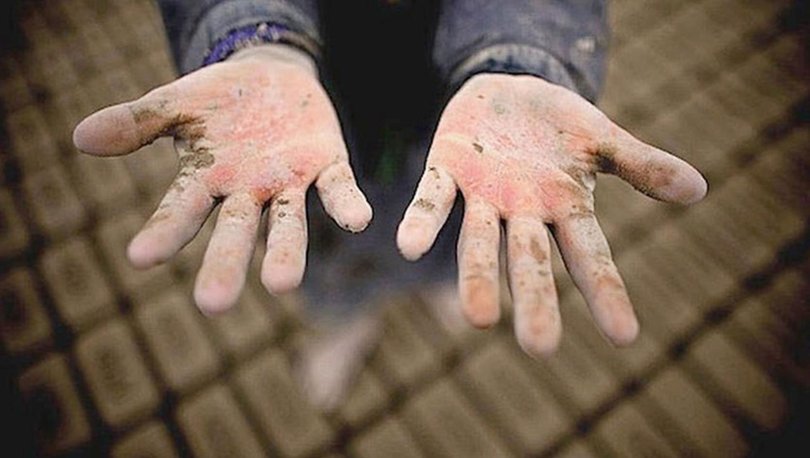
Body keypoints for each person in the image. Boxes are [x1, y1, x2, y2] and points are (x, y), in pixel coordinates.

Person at [72, 0, 707, 410]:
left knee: (465, 215)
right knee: (332, 231)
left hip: (464, 93)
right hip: (318, 87)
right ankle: (349, 318)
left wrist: (522, 61)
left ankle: (438, 282)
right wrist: (258, 36)